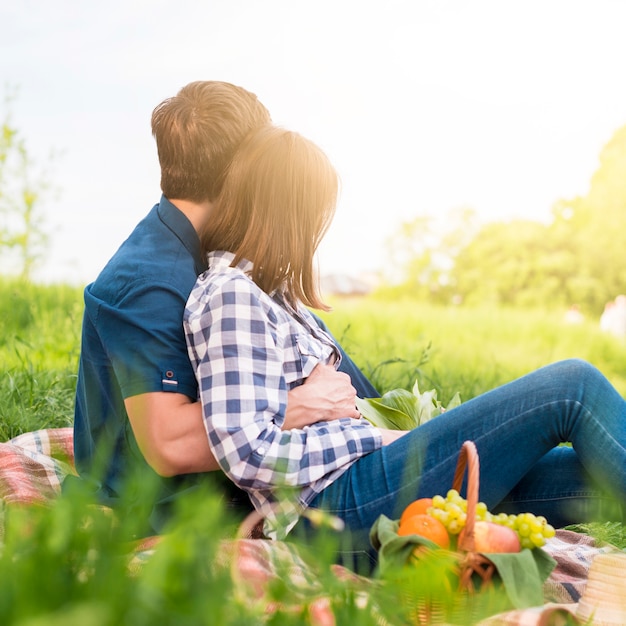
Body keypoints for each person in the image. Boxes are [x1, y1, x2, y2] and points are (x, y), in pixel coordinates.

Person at [184, 124, 626, 571]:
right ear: (291, 214)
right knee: (574, 387)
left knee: (587, 470)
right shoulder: (231, 295)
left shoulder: (274, 298)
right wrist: (374, 436)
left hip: (364, 488)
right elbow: (247, 453)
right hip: (333, 512)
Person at [71, 81, 376, 535]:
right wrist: (300, 404)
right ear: (242, 168)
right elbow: (168, 445)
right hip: (169, 507)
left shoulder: (218, 256)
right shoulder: (148, 280)